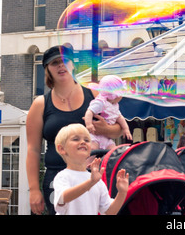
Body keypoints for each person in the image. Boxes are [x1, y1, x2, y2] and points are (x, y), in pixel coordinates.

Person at [26, 45, 123, 215]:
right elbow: (33, 149)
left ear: (73, 65)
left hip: (93, 172)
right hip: (56, 175)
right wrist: (33, 189)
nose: (61, 66)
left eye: (65, 61)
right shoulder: (40, 103)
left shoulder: (94, 93)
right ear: (47, 69)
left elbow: (119, 130)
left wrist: (106, 129)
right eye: (55, 63)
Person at [53, 123, 129, 215]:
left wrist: (122, 192)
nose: (83, 142)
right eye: (76, 139)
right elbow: (62, 198)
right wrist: (90, 183)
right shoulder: (63, 176)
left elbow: (109, 212)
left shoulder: (97, 180)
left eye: (87, 140)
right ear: (61, 149)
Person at [85, 75, 132, 151]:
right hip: (95, 136)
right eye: (120, 94)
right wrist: (89, 124)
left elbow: (120, 117)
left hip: (106, 138)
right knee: (93, 149)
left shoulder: (115, 105)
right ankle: (88, 163)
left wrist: (126, 129)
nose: (122, 97)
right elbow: (89, 111)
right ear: (114, 95)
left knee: (113, 151)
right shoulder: (100, 102)